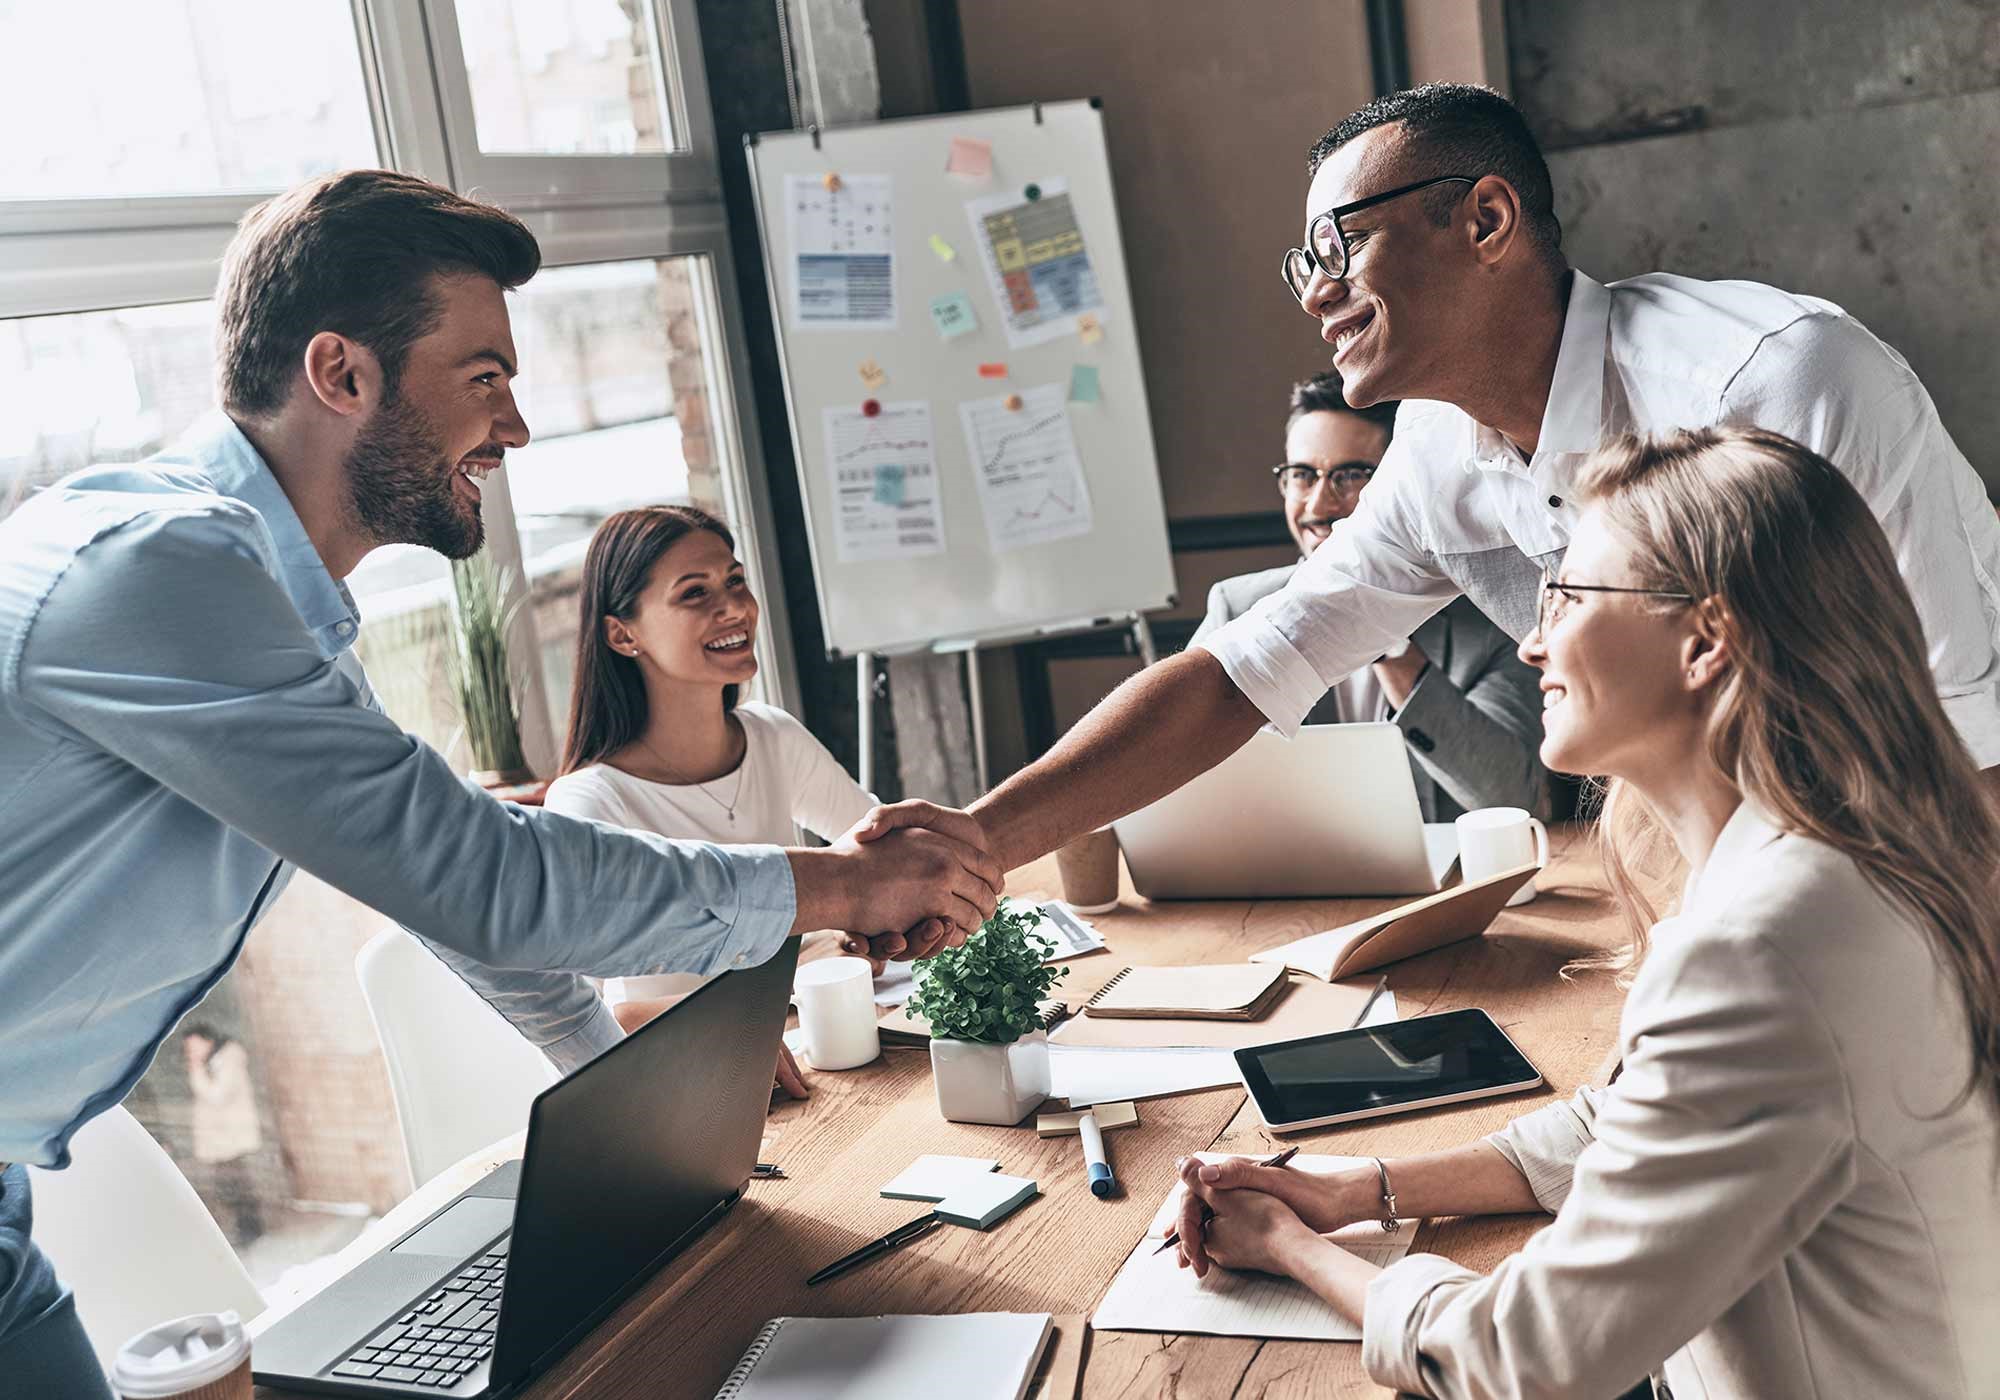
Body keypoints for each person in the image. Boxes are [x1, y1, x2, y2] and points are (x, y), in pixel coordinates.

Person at [0, 170, 995, 1396]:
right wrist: (844, 884)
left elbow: (434, 878)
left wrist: (624, 1104)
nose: (515, 427)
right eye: (484, 379)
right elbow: (482, 879)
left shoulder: (244, 585)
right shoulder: (165, 570)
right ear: (341, 373)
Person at [890, 81, 2000, 878]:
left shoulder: (1777, 380)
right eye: (1302, 266)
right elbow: (1250, 662)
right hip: (1699, 857)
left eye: (1339, 245)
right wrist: (979, 841)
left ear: (1483, 220)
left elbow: (1961, 741)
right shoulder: (1432, 447)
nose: (1315, 293)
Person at [1168, 427, 2000, 1399]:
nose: (1530, 637)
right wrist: (1357, 1186)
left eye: (1566, 594)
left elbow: (1525, 1356)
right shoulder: (1829, 863)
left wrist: (1289, 1245)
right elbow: (1622, 1120)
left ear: (1703, 642)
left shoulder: (1766, 946)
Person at [542, 504, 885, 1096]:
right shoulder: (590, 802)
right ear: (623, 634)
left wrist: (867, 922)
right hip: (692, 1087)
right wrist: (725, 1027)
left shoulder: (772, 737)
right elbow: (590, 1015)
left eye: (734, 581)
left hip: (816, 1057)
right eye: (694, 594)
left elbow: (878, 854)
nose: (734, 608)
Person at [1192, 371, 1547, 821]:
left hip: (1450, 883)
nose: (1318, 506)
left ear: (1399, 489)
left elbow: (1513, 796)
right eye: (1303, 476)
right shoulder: (1237, 606)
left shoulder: (1490, 612)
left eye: (1351, 476)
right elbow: (1192, 775)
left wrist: (1389, 643)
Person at [180, 1024, 264, 1243]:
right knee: (231, 1184)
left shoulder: (227, 1060)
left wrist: (196, 1071)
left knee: (234, 1184)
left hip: (230, 1136)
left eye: (193, 1047)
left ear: (207, 1041)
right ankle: (247, 1227)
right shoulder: (216, 1060)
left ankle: (249, 1228)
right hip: (223, 1137)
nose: (191, 1053)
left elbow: (217, 1095)